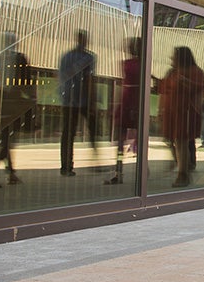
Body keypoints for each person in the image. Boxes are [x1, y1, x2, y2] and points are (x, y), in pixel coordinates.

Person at [0, 31, 33, 189]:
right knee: (7, 141)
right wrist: (32, 99)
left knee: (7, 139)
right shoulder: (18, 59)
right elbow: (27, 82)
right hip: (12, 104)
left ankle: (11, 173)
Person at [158, 46, 204, 188]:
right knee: (174, 141)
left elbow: (202, 89)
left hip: (185, 112)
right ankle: (183, 167)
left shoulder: (195, 72)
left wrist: (186, 82)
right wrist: (160, 110)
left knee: (181, 141)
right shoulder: (172, 73)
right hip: (172, 111)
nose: (172, 58)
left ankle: (183, 173)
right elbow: (163, 91)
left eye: (175, 56)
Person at [58, 30, 97, 177]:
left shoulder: (66, 57)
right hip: (82, 99)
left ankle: (66, 166)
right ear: (84, 40)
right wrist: (92, 101)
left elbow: (60, 78)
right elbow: (89, 80)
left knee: (68, 134)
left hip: (68, 100)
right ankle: (96, 159)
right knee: (93, 128)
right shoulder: (88, 58)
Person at [105, 38, 142, 185]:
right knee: (126, 140)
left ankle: (120, 171)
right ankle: (121, 171)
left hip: (131, 100)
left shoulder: (130, 64)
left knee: (123, 140)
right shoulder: (137, 64)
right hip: (131, 100)